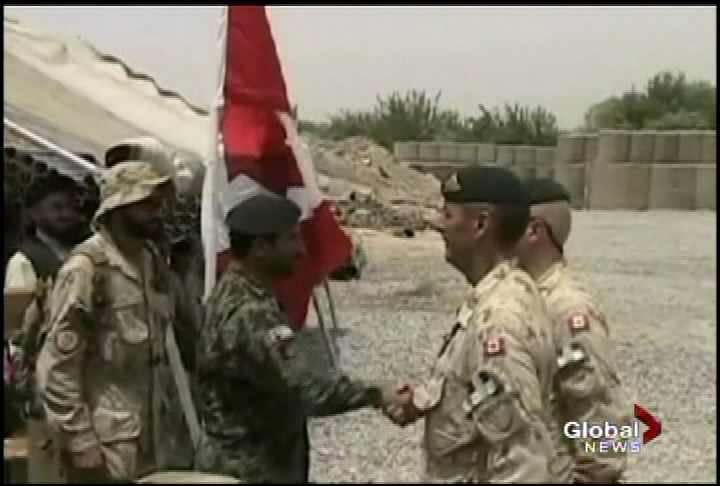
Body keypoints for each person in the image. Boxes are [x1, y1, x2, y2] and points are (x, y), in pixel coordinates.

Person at [194, 191, 404, 483]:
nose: (301, 250)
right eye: (291, 239)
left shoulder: (235, 288)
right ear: (261, 247)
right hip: (250, 470)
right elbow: (306, 386)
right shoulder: (252, 312)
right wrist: (377, 393)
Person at [384, 166, 565, 483]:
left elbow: (523, 463)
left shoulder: (498, 322)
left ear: (481, 224)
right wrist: (421, 400)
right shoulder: (497, 294)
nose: (439, 225)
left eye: (448, 215)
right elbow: (477, 394)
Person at [35, 160, 193, 483]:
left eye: (158, 203)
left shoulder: (151, 261)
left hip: (156, 439)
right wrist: (81, 444)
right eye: (146, 204)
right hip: (106, 444)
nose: (158, 212)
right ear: (118, 208)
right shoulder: (87, 269)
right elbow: (58, 370)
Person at [515, 178, 631, 484]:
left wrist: (593, 477)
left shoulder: (568, 309)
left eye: (507, 223)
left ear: (534, 231)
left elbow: (606, 419)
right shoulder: (519, 297)